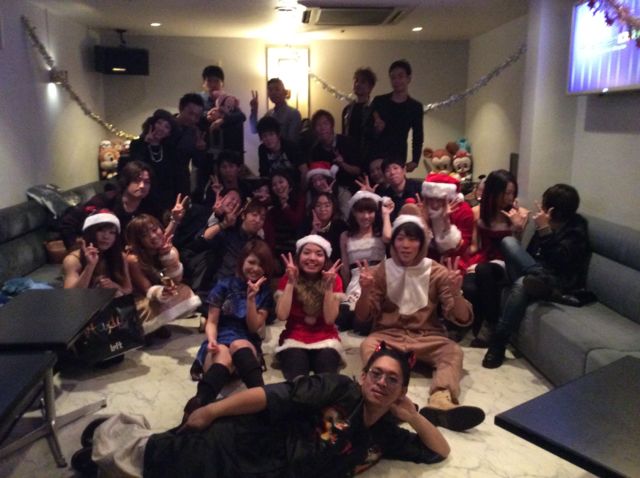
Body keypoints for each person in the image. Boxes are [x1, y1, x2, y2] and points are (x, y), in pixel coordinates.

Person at [71, 345, 449, 477]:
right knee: (172, 456)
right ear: (364, 376)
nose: (382, 383)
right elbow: (274, 395)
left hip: (274, 473)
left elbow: (439, 451)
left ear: (402, 390)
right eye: (376, 374)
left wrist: (413, 416)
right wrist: (212, 410)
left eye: (392, 380)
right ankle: (109, 435)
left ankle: (114, 449)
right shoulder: (340, 388)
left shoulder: (383, 433)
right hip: (252, 444)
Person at [355, 205, 485, 432]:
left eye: (413, 239)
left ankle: (441, 402)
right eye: (400, 238)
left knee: (453, 351)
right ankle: (386, 400)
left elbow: (462, 319)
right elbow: (363, 315)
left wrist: (456, 293)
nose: (406, 245)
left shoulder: (437, 271)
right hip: (388, 336)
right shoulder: (382, 270)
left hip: (427, 336)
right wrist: (365, 291)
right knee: (368, 345)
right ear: (393, 242)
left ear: (422, 242)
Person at [482, 184, 591, 368]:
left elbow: (560, 263)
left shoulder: (576, 229)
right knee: (508, 242)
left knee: (522, 283)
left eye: (543, 203)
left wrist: (545, 230)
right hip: (537, 273)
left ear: (552, 209)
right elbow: (530, 254)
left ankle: (498, 343)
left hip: (558, 280)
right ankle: (539, 279)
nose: (540, 206)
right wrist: (520, 230)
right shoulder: (543, 222)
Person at [184, 239, 275, 414]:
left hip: (246, 338)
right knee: (223, 356)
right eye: (251, 262)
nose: (255, 268)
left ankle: (263, 400)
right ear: (242, 261)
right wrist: (211, 340)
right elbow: (212, 321)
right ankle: (197, 407)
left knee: (238, 345)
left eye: (261, 265)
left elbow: (253, 328)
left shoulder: (264, 292)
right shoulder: (224, 284)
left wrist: (251, 299)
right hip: (221, 336)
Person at [463, 170, 529, 346]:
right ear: (493, 192)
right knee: (469, 287)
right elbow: (475, 246)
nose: (510, 198)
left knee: (484, 270)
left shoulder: (520, 214)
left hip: (508, 263)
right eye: (506, 193)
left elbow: (517, 249)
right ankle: (478, 324)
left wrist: (517, 228)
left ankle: (490, 325)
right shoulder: (478, 212)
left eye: (512, 193)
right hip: (483, 259)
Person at [274, 235, 345, 381]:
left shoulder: (334, 279)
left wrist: (328, 286)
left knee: (327, 379)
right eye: (306, 252)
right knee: (298, 379)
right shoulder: (288, 277)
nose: (312, 258)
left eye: (319, 254)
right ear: (298, 256)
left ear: (325, 259)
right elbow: (281, 315)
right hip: (294, 337)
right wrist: (290, 282)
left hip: (326, 338)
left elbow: (330, 319)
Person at [126, 214, 201, 337]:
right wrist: (160, 293)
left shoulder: (170, 249)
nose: (153, 236)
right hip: (139, 300)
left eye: (154, 229)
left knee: (184, 291)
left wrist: (167, 257)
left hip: (159, 294)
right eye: (144, 235)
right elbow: (145, 289)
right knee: (147, 306)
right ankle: (147, 329)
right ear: (138, 241)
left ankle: (159, 325)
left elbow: (176, 280)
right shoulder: (133, 259)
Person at [60, 161, 159, 249]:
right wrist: (74, 247)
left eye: (147, 182)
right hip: (102, 254)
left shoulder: (150, 205)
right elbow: (68, 221)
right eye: (136, 180)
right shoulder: (105, 200)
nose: (142, 186)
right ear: (126, 180)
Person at [338, 191, 392, 329]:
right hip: (356, 282)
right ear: (354, 213)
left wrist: (386, 214)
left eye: (370, 211)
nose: (366, 216)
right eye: (361, 211)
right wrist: (346, 290)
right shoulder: (345, 236)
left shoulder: (380, 233)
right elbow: (345, 268)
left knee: (368, 320)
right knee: (346, 319)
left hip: (378, 280)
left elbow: (388, 237)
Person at [369, 59, 423, 172]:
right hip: (376, 154)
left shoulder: (415, 107)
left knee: (395, 182)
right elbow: (367, 131)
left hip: (398, 155)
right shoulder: (379, 101)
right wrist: (376, 129)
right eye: (393, 77)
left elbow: (418, 135)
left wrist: (415, 160)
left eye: (400, 76)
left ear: (408, 78)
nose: (396, 80)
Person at [63, 210, 131, 297]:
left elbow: (128, 289)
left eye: (112, 232)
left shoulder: (120, 256)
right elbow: (71, 296)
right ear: (90, 232)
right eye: (101, 230)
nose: (106, 236)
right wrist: (90, 266)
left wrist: (115, 286)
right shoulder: (73, 260)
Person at [126, 109, 179, 212]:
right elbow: (135, 168)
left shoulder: (170, 149)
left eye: (167, 127)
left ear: (169, 133)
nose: (161, 128)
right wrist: (145, 143)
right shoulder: (137, 144)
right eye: (159, 123)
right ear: (152, 124)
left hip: (164, 199)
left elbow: (172, 178)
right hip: (142, 195)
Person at [309, 109, 362, 194]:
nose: (322, 128)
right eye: (318, 125)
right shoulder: (315, 150)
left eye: (325, 123)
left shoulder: (347, 142)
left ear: (332, 125)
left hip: (350, 187)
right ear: (315, 130)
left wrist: (342, 164)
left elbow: (357, 171)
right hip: (328, 190)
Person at [263, 170, 306, 265]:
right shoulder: (272, 207)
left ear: (288, 182)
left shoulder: (300, 199)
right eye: (274, 185)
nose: (278, 186)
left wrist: (285, 206)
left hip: (296, 250)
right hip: (277, 252)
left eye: (281, 182)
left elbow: (297, 222)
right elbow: (270, 235)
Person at [174, 93, 207, 200]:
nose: (193, 119)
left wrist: (200, 149)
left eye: (197, 116)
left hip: (181, 182)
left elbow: (197, 163)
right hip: (159, 180)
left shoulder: (195, 132)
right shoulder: (165, 125)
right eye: (190, 113)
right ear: (180, 108)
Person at [298, 192, 348, 263]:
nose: (322, 209)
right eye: (318, 205)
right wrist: (314, 231)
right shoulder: (306, 225)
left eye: (327, 205)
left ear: (333, 208)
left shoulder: (341, 226)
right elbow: (302, 251)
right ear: (313, 208)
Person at [249, 77, 302, 144]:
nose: (273, 93)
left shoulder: (294, 113)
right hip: (269, 149)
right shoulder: (269, 113)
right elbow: (254, 129)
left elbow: (292, 141)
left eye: (277, 89)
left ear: (284, 92)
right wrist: (254, 110)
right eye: (270, 90)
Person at [256, 115, 307, 181]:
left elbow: (304, 170)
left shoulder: (290, 146)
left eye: (271, 134)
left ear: (278, 135)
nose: (268, 139)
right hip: (274, 185)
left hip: (294, 183)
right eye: (264, 136)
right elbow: (263, 173)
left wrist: (302, 187)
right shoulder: (262, 149)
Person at [342, 67, 376, 161]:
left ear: (370, 87)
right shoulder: (347, 110)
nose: (358, 84)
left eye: (363, 82)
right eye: (356, 80)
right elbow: (344, 134)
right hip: (349, 156)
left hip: (368, 157)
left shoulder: (374, 110)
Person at [377, 155, 422, 221]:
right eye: (387, 170)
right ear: (384, 176)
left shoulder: (419, 188)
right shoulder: (384, 196)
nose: (392, 172)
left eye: (395, 168)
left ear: (404, 170)